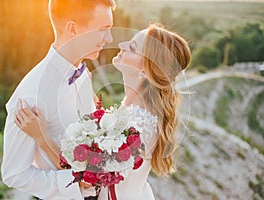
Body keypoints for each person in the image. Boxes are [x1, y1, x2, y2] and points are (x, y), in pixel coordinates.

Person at [15, 23, 191, 199]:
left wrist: (41, 136)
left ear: (145, 71)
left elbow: (86, 179)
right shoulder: (136, 109)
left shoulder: (139, 127)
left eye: (132, 47)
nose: (121, 45)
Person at [1, 0, 116, 199]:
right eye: (103, 29)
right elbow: (14, 174)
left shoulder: (82, 73)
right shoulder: (30, 95)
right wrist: (76, 184)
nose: (109, 38)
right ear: (72, 28)